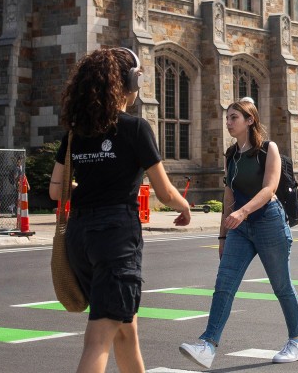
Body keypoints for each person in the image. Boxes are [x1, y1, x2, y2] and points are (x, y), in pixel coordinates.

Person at [49, 48, 192, 373]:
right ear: (128, 82)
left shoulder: (76, 134)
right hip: (116, 239)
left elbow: (55, 189)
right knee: (98, 340)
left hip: (80, 238)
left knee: (126, 333)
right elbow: (164, 191)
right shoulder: (135, 128)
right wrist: (183, 205)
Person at [179, 97, 298, 369]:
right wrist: (222, 235)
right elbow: (228, 194)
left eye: (234, 117)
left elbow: (269, 189)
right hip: (239, 228)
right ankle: (208, 345)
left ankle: (296, 340)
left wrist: (243, 212)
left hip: (268, 222)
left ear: (250, 120)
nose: (228, 122)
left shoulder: (267, 149)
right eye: (227, 117)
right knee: (224, 284)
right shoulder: (230, 154)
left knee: (281, 286)